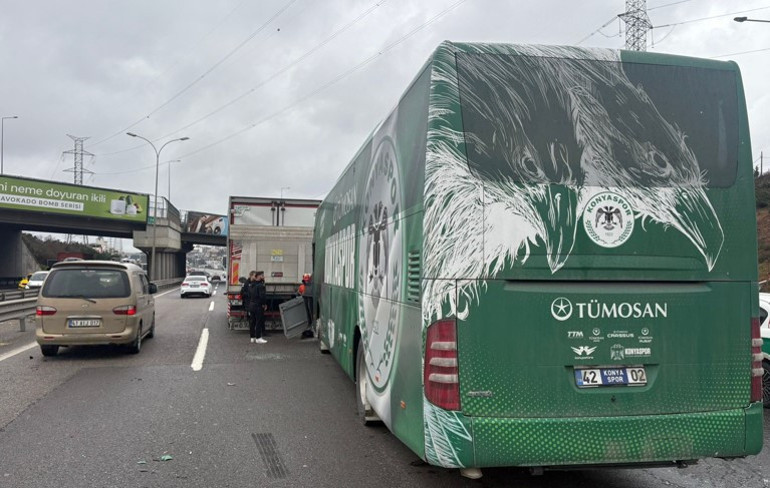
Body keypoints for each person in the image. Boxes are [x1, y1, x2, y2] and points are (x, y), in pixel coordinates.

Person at [241, 270, 267, 344]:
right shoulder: (260, 286)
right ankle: (258, 337)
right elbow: (262, 297)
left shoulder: (251, 285)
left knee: (252, 321)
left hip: (251, 305)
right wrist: (264, 304)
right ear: (259, 276)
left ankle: (252, 337)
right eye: (262, 275)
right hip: (258, 306)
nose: (264, 277)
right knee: (259, 321)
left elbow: (248, 294)